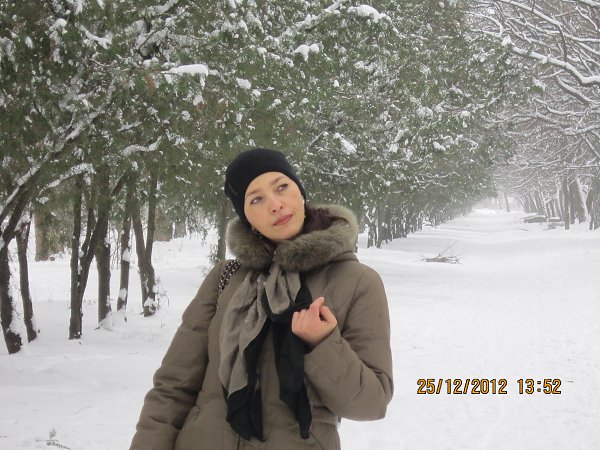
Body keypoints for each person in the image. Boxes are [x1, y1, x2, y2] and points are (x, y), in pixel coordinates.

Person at [130, 148, 393, 450]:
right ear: (248, 219)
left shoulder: (357, 281)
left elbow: (371, 402)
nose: (275, 205)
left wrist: (322, 344)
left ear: (300, 193)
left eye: (282, 187)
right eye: (256, 199)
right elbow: (173, 386)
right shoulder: (226, 278)